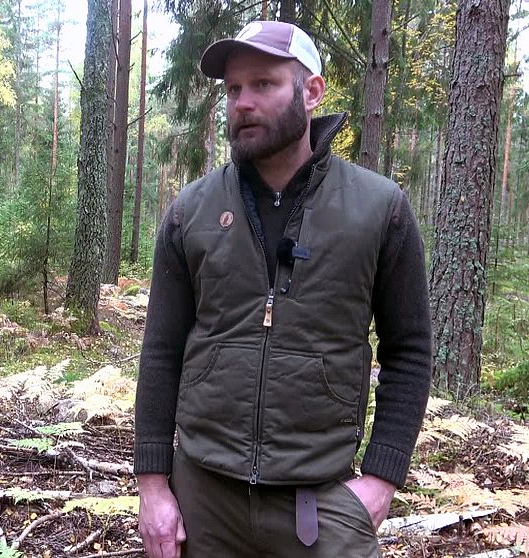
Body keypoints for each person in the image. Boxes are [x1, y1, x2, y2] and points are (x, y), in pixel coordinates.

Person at [133, 20, 432, 558]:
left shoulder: (378, 209)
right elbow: (160, 352)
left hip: (320, 500)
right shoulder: (191, 211)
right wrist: (153, 485)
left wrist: (382, 478)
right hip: (203, 497)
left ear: (311, 91)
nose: (243, 102)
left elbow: (409, 351)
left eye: (263, 84)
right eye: (233, 89)